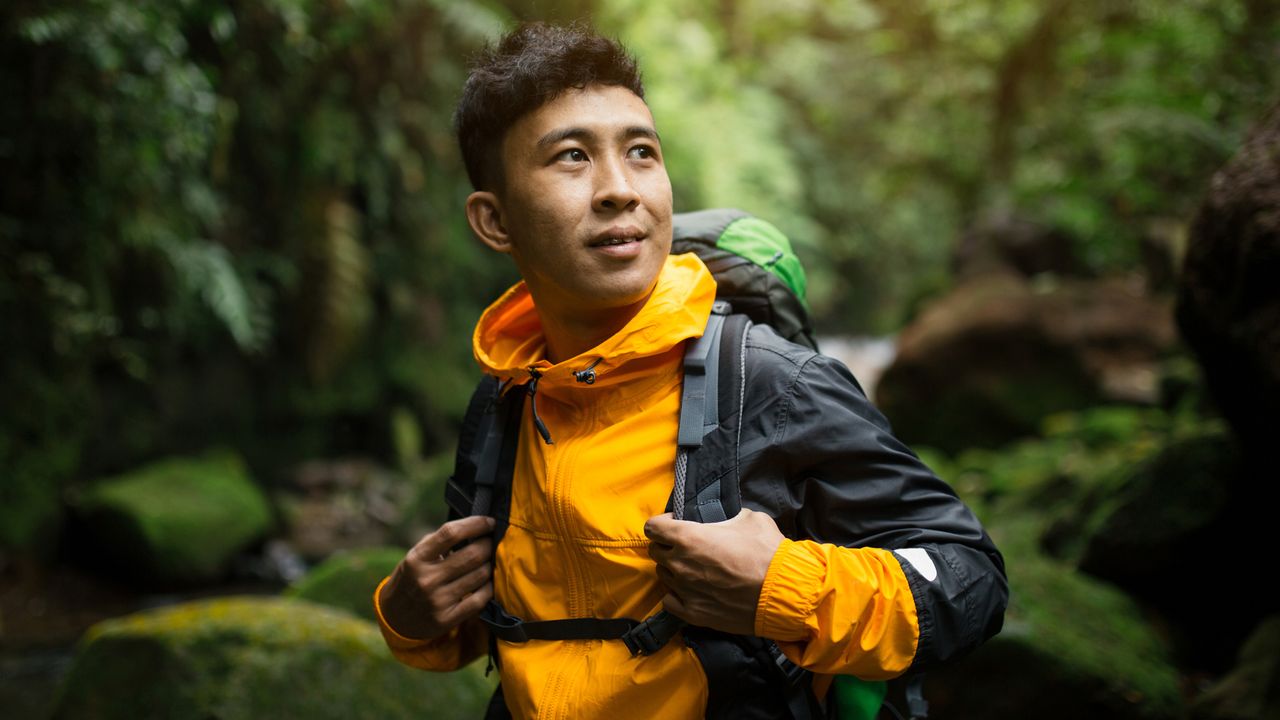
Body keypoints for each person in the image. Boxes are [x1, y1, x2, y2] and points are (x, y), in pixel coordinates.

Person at [374, 22, 1007, 720]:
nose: (621, 189)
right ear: (495, 222)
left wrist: (785, 588)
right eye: (572, 158)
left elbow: (970, 579)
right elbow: (506, 615)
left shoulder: (772, 383)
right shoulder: (505, 400)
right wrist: (408, 616)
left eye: (641, 152)